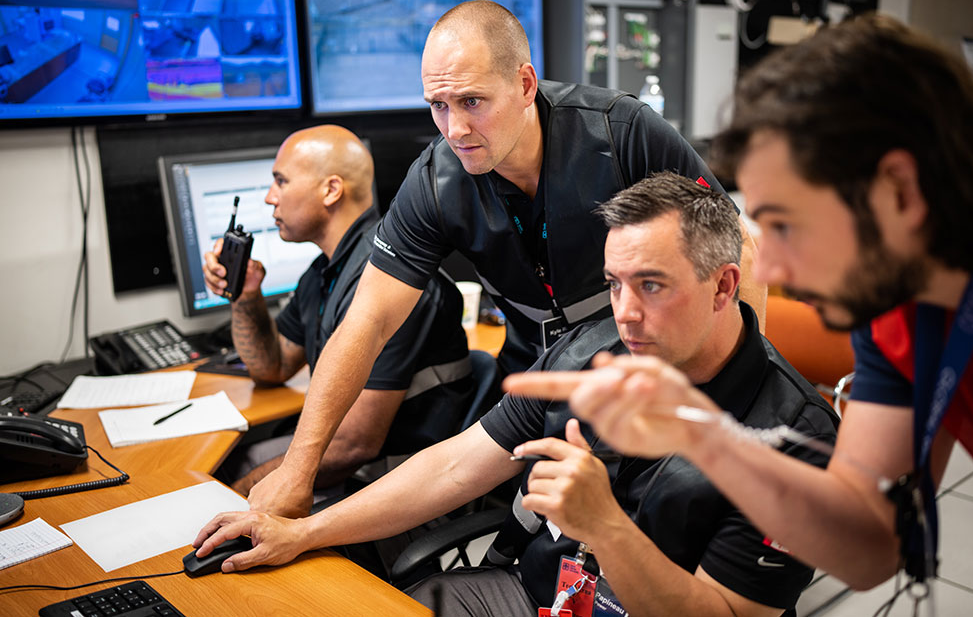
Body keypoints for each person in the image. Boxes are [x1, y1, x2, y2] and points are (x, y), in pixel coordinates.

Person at [192, 174, 837, 617]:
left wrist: (606, 527)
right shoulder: (589, 352)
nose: (627, 314)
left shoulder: (796, 445)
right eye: (614, 284)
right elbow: (453, 467)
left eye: (653, 286)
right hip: (539, 593)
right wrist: (301, 531)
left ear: (725, 287)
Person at [505, 13, 973, 590]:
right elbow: (870, 549)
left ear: (900, 191)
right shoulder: (895, 313)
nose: (773, 270)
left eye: (788, 226)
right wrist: (703, 434)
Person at [247, 0, 764, 517]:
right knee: (526, 537)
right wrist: (298, 469)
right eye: (438, 105)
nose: (455, 130)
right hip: (532, 385)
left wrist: (741, 396)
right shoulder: (434, 182)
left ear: (524, 84)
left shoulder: (620, 132)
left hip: (639, 371)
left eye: (472, 102)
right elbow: (368, 321)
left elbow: (738, 248)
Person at [202, 124, 473, 497]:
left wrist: (240, 496)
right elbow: (274, 366)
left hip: (387, 484)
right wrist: (246, 294)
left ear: (331, 190)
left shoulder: (394, 282)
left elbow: (354, 446)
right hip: (350, 463)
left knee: (231, 483)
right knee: (233, 464)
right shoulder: (324, 273)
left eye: (280, 181)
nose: (269, 198)